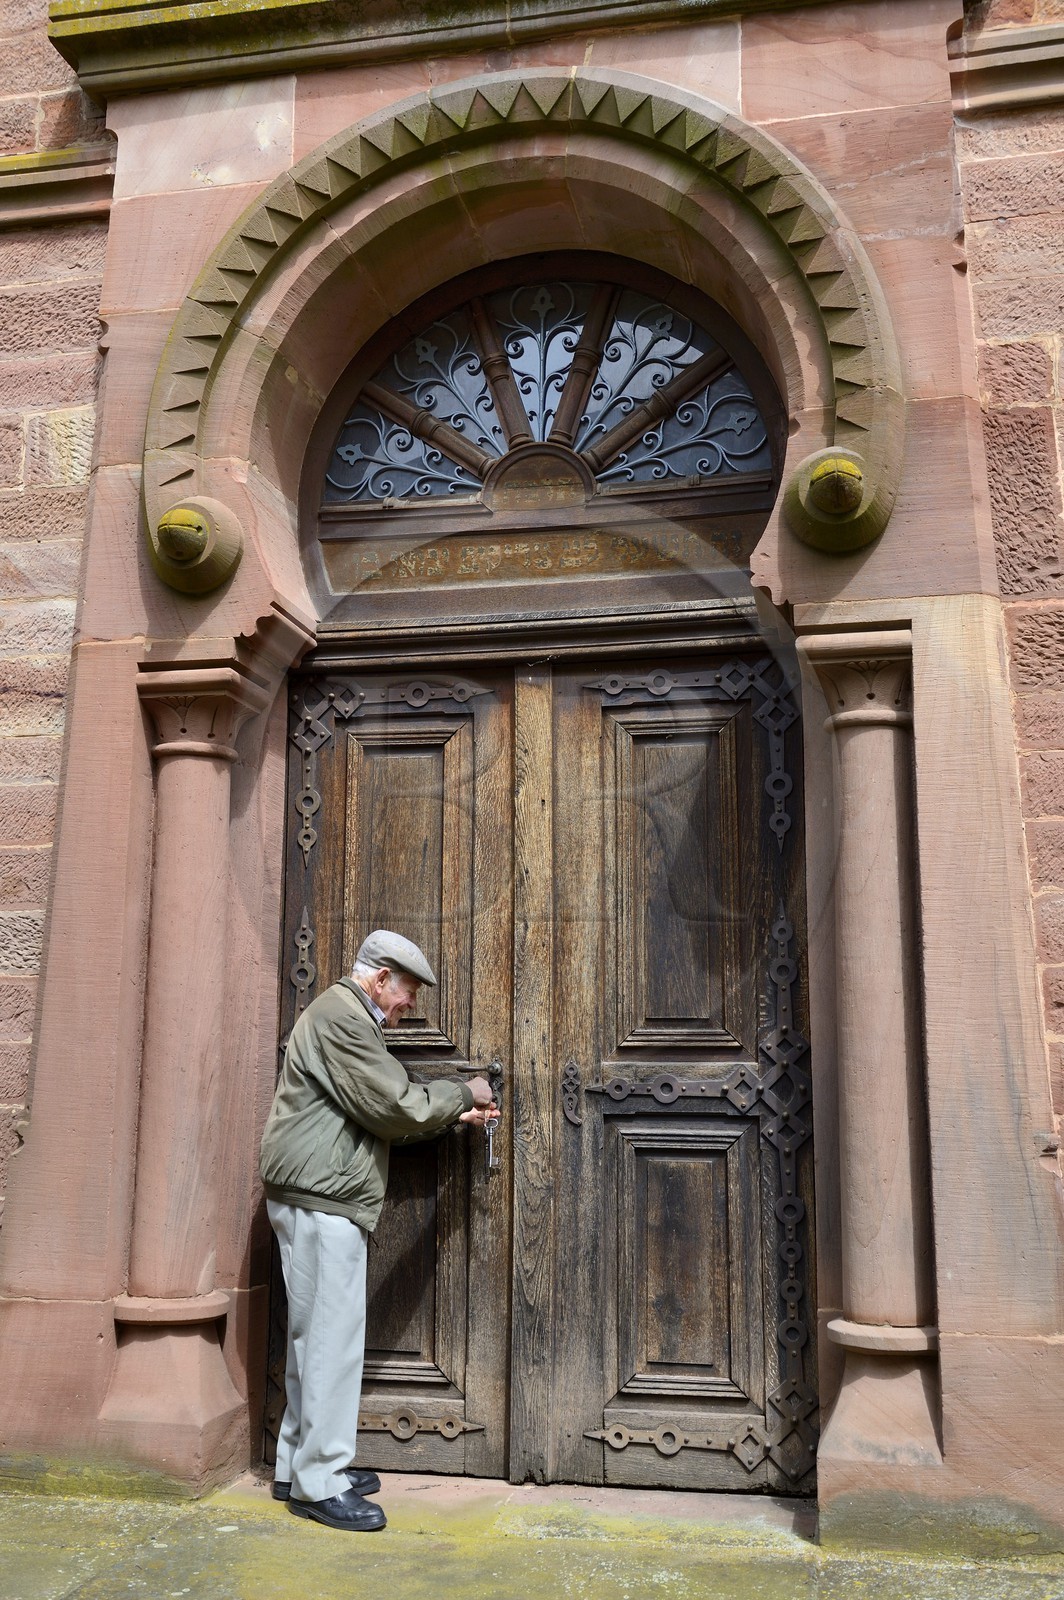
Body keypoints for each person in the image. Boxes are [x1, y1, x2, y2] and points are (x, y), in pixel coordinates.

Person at [259, 929, 497, 1532]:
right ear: (380, 976)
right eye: (408, 992)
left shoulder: (344, 1018)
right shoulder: (342, 1017)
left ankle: (298, 1464)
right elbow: (391, 1104)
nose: (409, 1006)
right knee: (331, 1343)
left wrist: (450, 1116)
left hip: (316, 1194)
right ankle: (321, 1481)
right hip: (323, 1200)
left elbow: (376, 1114)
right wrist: (463, 1090)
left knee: (312, 1341)